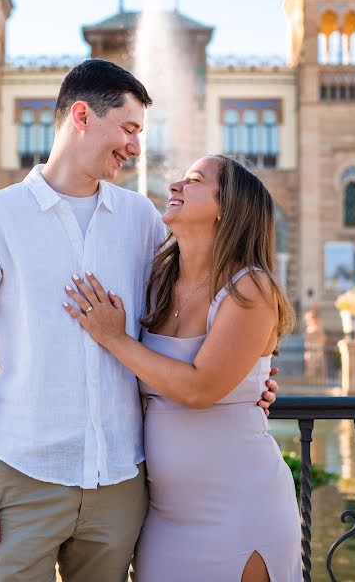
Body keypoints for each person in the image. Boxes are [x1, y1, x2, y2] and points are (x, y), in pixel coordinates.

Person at [0, 59, 279, 581]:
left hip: (123, 483)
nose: (136, 147)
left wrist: (248, 377)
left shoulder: (141, 220)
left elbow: (185, 319)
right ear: (81, 116)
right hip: (26, 479)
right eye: (127, 129)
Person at [64, 155, 303, 582]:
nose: (174, 184)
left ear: (226, 208)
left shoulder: (250, 286)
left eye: (193, 181)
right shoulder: (155, 280)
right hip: (164, 518)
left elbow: (198, 389)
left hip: (241, 509)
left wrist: (114, 337)